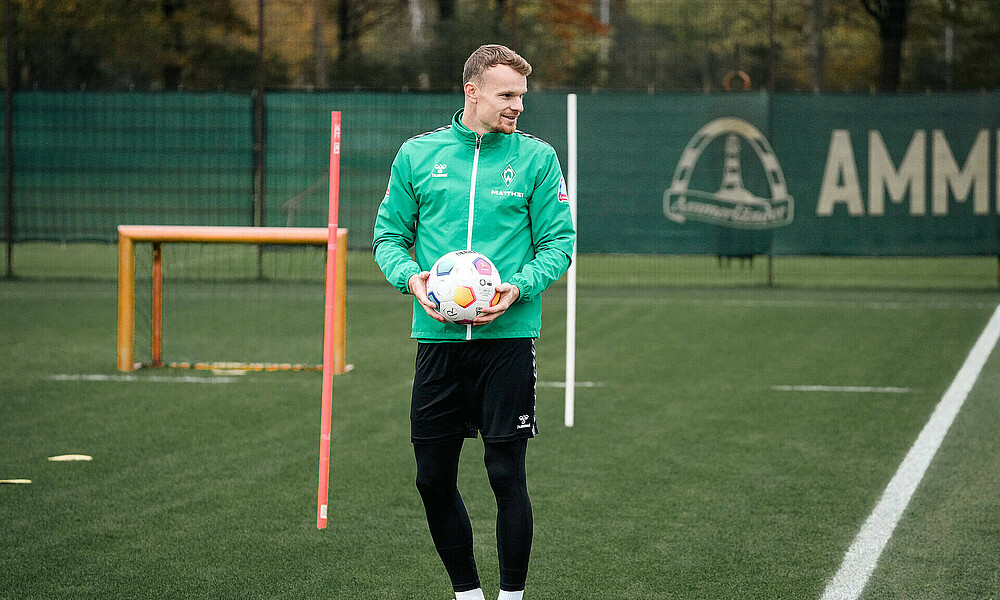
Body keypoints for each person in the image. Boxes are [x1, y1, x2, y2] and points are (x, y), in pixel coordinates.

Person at [372, 44, 576, 600]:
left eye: (521, 96)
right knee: (431, 478)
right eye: (506, 95)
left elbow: (558, 242)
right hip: (437, 339)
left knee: (505, 473)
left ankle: (510, 596)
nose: (517, 106)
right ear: (473, 92)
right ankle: (467, 593)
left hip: (507, 340)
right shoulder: (417, 155)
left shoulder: (537, 159)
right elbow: (388, 236)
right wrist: (411, 279)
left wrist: (518, 287)